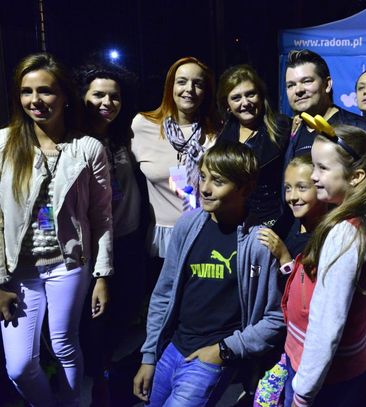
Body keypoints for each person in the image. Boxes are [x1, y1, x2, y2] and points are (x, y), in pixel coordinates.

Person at [132, 142, 285, 406]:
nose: (205, 188)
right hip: (172, 348)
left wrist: (224, 351)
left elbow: (275, 318)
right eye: (203, 177)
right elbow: (164, 292)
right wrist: (149, 356)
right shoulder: (188, 225)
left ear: (245, 188)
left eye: (218, 181)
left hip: (210, 359)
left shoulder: (259, 244)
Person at [0, 53, 113, 406]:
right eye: (26, 91)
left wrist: (102, 275)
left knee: (65, 344)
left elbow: (101, 216)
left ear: (64, 96)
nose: (35, 100)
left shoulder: (87, 148)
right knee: (19, 366)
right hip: (19, 271)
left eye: (45, 91)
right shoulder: (4, 144)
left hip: (68, 263)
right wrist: (0, 281)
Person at [279, 114, 366, 406]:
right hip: (341, 366)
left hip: (324, 378)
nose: (313, 176)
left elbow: (327, 326)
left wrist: (303, 394)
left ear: (356, 177)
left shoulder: (346, 234)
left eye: (322, 168)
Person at [75, 61, 145, 406]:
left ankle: (110, 374)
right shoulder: (73, 140)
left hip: (128, 239)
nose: (107, 102)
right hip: (92, 247)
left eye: (114, 96)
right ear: (83, 97)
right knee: (94, 322)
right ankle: (98, 383)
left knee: (125, 312)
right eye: (98, 95)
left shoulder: (123, 137)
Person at [131, 56, 219, 262]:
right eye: (182, 82)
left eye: (198, 84)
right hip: (162, 239)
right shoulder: (143, 126)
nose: (189, 89)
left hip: (206, 232)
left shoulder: (216, 131)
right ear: (170, 86)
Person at [216, 64, 290, 227]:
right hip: (234, 221)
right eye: (236, 98)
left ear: (261, 96)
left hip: (274, 221)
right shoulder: (222, 138)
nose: (245, 103)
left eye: (250, 94)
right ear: (227, 105)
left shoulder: (283, 127)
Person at [284, 49, 366, 163]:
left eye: (307, 81)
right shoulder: (286, 134)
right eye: (291, 85)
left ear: (327, 84)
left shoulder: (362, 129)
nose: (298, 90)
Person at [257, 154, 327, 271]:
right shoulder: (288, 221)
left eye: (302, 187)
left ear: (321, 187)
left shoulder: (329, 239)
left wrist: (285, 258)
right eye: (288, 188)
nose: (292, 197)